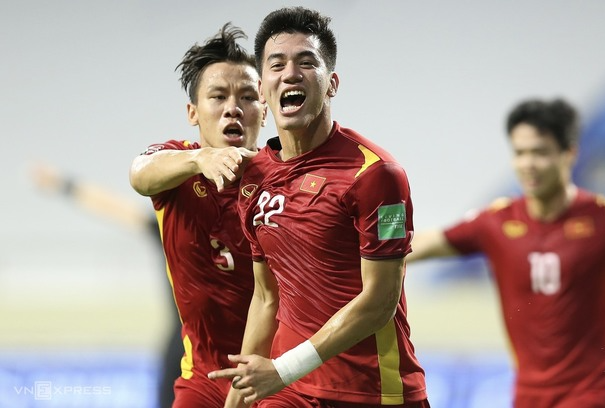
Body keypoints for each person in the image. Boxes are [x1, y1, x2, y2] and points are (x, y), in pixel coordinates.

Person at [207, 7, 429, 408]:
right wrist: (237, 400)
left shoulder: (378, 175)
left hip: (373, 392)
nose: (290, 73)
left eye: (306, 62)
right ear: (262, 88)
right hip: (292, 392)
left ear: (332, 84)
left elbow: (380, 302)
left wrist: (284, 368)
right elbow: (265, 297)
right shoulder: (254, 177)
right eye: (277, 65)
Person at [406, 98, 605, 408]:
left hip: (599, 387)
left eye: (540, 152)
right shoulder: (496, 222)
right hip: (530, 393)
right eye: (520, 153)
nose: (528, 164)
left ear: (569, 154)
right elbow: (426, 243)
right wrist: (363, 256)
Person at [129, 22, 267, 408]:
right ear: (193, 112)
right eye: (218, 96)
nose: (233, 108)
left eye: (247, 97)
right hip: (201, 378)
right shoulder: (177, 166)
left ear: (265, 110)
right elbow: (140, 174)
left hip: (275, 376)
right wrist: (199, 159)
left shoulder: (286, 182)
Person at [29, 162, 182, 408]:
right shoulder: (169, 227)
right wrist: (64, 185)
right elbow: (114, 207)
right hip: (183, 349)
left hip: (205, 348)